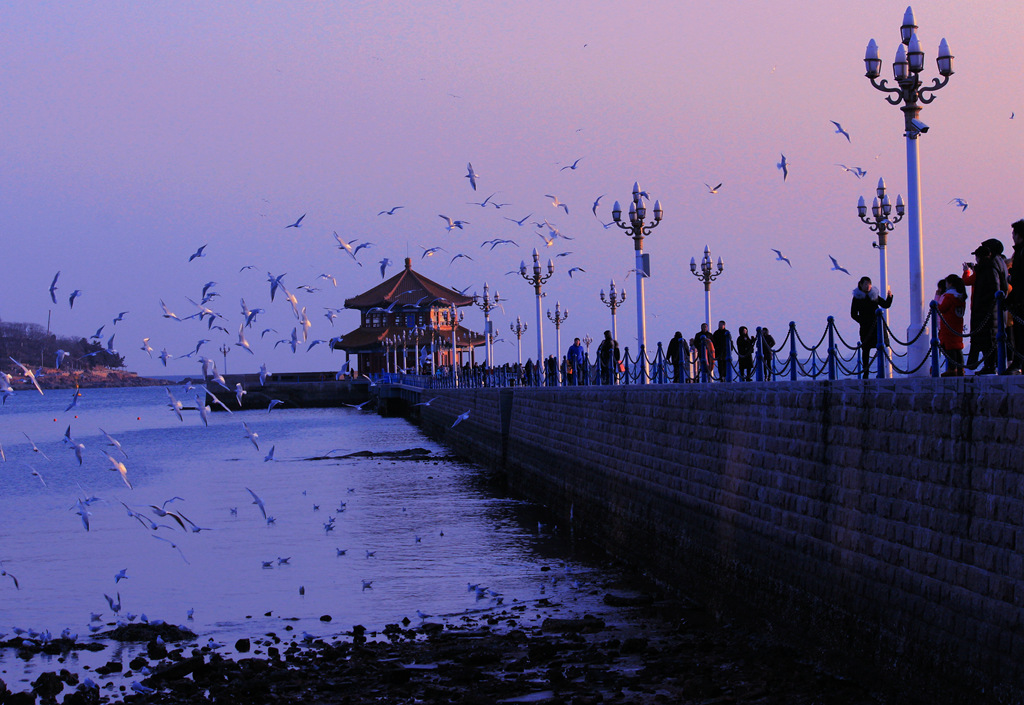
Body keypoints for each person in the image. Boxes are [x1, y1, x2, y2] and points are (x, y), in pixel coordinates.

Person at [963, 245, 1001, 374]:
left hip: (984, 310)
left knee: (987, 340)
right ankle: (989, 365)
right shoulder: (988, 268)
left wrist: (966, 271)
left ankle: (988, 366)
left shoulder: (986, 269)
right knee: (987, 340)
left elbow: (967, 281)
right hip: (986, 310)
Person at [850, 276, 893, 379]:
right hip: (865, 327)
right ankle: (866, 372)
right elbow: (853, 314)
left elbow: (885, 304)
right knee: (866, 349)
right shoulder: (857, 297)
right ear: (861, 285)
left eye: (869, 284)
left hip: (877, 326)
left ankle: (881, 371)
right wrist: (862, 321)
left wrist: (890, 297)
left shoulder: (874, 295)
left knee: (881, 347)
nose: (867, 286)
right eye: (865, 284)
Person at [937, 273, 967, 376]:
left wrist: (937, 300)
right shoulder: (960, 296)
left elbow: (942, 308)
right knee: (958, 347)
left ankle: (951, 368)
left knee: (949, 347)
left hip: (948, 325)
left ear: (950, 283)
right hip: (957, 325)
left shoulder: (949, 296)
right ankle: (960, 368)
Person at [1006, 220, 1024, 374]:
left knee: (1020, 335)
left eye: (1014, 233)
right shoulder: (1018, 252)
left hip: (1021, 300)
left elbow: (1020, 280)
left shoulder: (1021, 253)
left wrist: (1011, 279)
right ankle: (1018, 363)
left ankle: (1017, 363)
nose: (1012, 236)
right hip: (1018, 299)